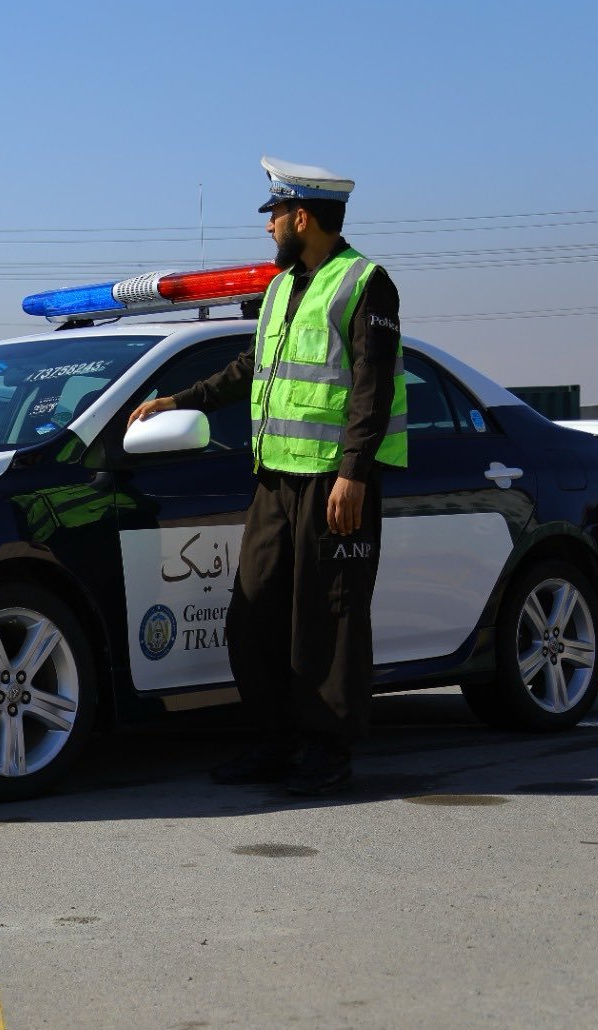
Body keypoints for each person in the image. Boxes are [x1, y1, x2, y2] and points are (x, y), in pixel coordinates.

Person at [127, 156, 407, 796]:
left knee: (328, 617)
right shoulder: (282, 288)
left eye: (274, 214)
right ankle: (276, 740)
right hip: (276, 479)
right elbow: (248, 368)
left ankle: (327, 749)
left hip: (334, 482)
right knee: (254, 614)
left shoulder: (366, 283)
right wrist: (180, 400)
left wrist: (354, 474)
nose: (268, 226)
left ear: (301, 217)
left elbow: (373, 387)